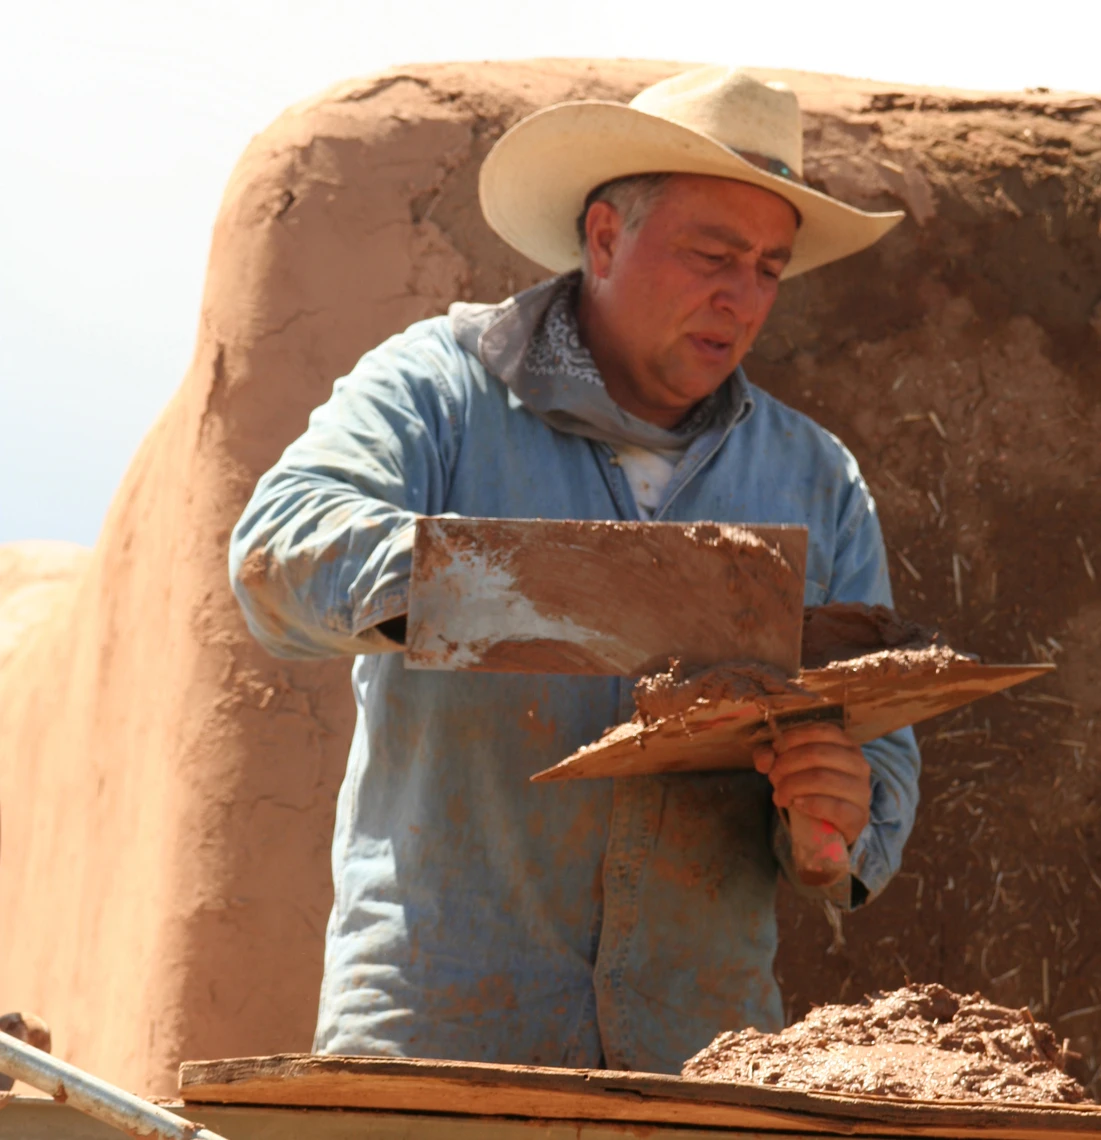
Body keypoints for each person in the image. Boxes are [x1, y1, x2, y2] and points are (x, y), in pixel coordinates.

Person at [229, 65, 920, 1073]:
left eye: (769, 267)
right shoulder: (438, 388)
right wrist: (545, 589)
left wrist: (835, 826)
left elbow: (881, 743)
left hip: (696, 1061)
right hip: (441, 1048)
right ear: (605, 237)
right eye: (713, 254)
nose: (743, 296)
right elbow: (276, 548)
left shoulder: (816, 479)